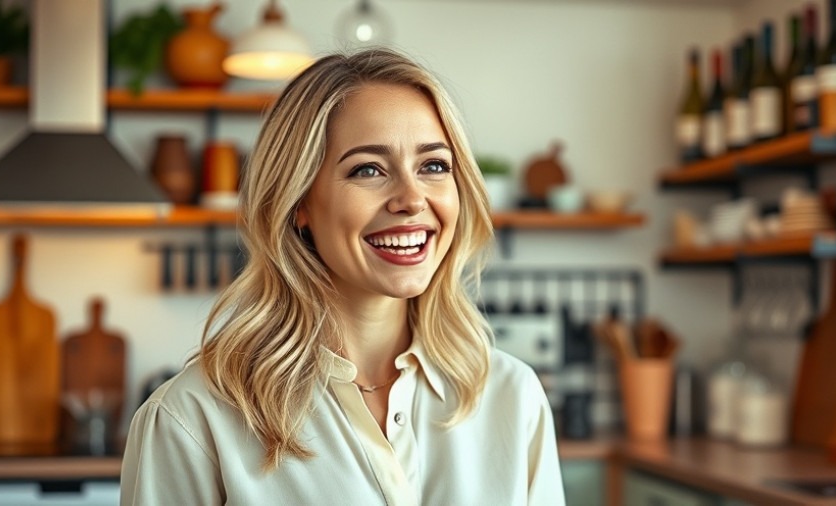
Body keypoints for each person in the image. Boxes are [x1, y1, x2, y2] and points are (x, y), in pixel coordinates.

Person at [120, 48, 565, 506]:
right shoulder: (192, 419)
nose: (412, 199)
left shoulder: (513, 398)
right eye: (368, 169)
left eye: (433, 166)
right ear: (298, 206)